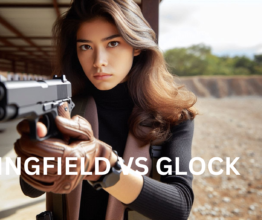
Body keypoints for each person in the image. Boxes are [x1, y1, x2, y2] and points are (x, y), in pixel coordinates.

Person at [15, 0, 198, 219]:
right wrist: (36, 158)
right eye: (86, 47)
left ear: (137, 46)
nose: (98, 61)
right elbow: (31, 190)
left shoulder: (173, 116)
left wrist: (103, 164)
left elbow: (178, 207)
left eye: (112, 44)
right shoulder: (65, 108)